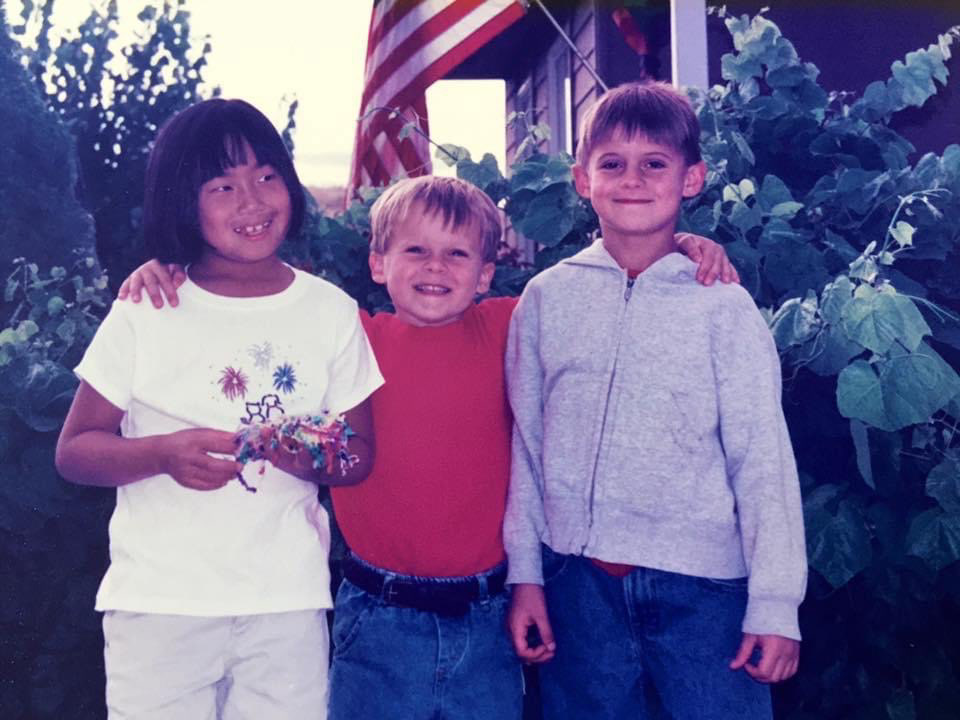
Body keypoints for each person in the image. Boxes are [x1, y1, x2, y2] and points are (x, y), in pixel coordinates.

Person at [119, 172, 737, 719]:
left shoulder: (509, 325)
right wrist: (174, 270)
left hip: (487, 617)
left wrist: (680, 245)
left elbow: (600, 287)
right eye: (415, 250)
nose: (435, 267)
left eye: (456, 254)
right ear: (380, 263)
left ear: (485, 273)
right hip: (376, 617)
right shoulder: (348, 335)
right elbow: (258, 295)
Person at [55, 98, 383, 720]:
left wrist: (301, 451)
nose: (252, 201)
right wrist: (159, 454)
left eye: (265, 176)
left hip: (285, 605)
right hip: (160, 606)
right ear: (184, 200)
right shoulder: (146, 308)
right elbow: (75, 451)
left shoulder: (330, 311)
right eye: (222, 186)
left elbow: (358, 455)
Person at [503, 81, 807, 720]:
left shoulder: (721, 305)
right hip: (575, 586)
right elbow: (526, 448)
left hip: (703, 593)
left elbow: (762, 460)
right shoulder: (546, 299)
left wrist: (776, 605)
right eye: (611, 163)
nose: (632, 179)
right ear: (583, 179)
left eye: (655, 164)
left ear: (691, 178)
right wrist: (524, 574)